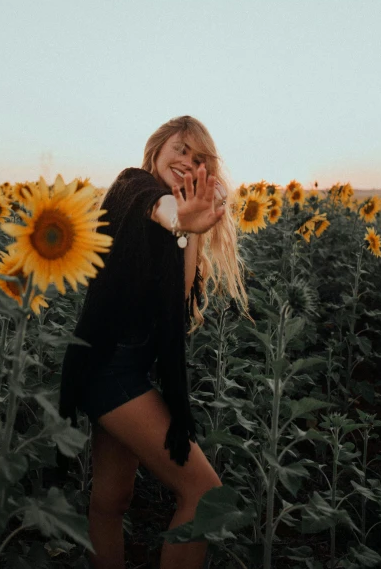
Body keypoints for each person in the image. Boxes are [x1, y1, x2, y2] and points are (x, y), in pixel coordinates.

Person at [59, 115, 252, 569]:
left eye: (198, 157)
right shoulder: (135, 189)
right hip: (111, 374)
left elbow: (178, 303)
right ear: (157, 149)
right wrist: (178, 215)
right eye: (180, 150)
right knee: (205, 494)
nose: (187, 161)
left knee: (112, 499)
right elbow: (158, 206)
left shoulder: (179, 222)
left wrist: (192, 232)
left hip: (120, 371)